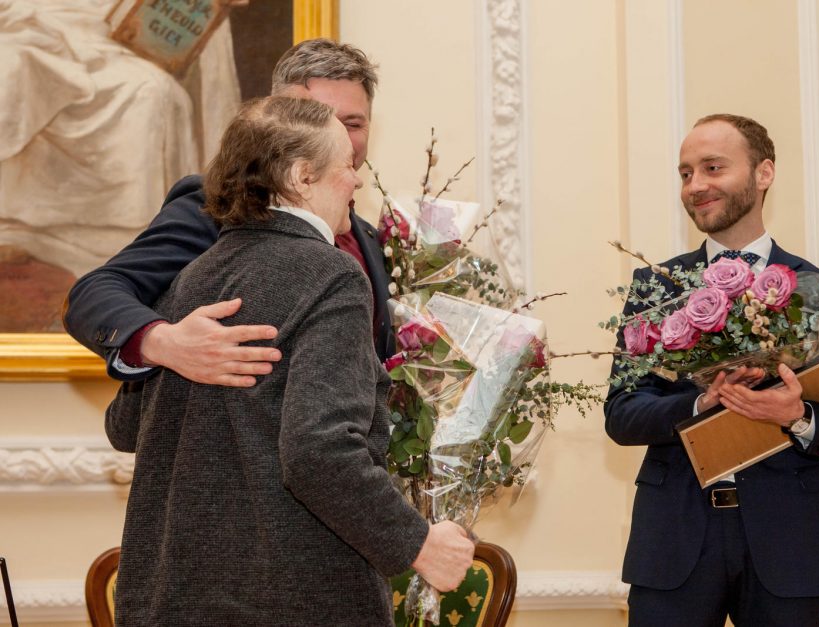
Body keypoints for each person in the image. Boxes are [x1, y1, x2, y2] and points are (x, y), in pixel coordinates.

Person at [106, 96, 474, 626]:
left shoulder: (191, 278)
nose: (358, 181)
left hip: (171, 597)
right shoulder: (332, 275)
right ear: (303, 176)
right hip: (296, 598)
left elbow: (123, 426)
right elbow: (318, 451)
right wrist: (419, 544)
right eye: (347, 165)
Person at [604, 113, 819, 627]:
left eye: (712, 167)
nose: (695, 185)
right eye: (685, 173)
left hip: (790, 543)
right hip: (674, 541)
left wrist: (798, 415)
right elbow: (622, 415)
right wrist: (702, 403)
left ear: (764, 173)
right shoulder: (658, 289)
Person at [63, 38, 393, 385]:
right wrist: (164, 343)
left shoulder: (367, 237)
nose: (336, 136)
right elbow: (94, 293)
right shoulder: (221, 205)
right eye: (316, 119)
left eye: (353, 124)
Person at [0, 0, 244, 331]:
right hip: (29, 29)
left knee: (151, 91)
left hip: (106, 43)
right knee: (10, 65)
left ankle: (128, 246)